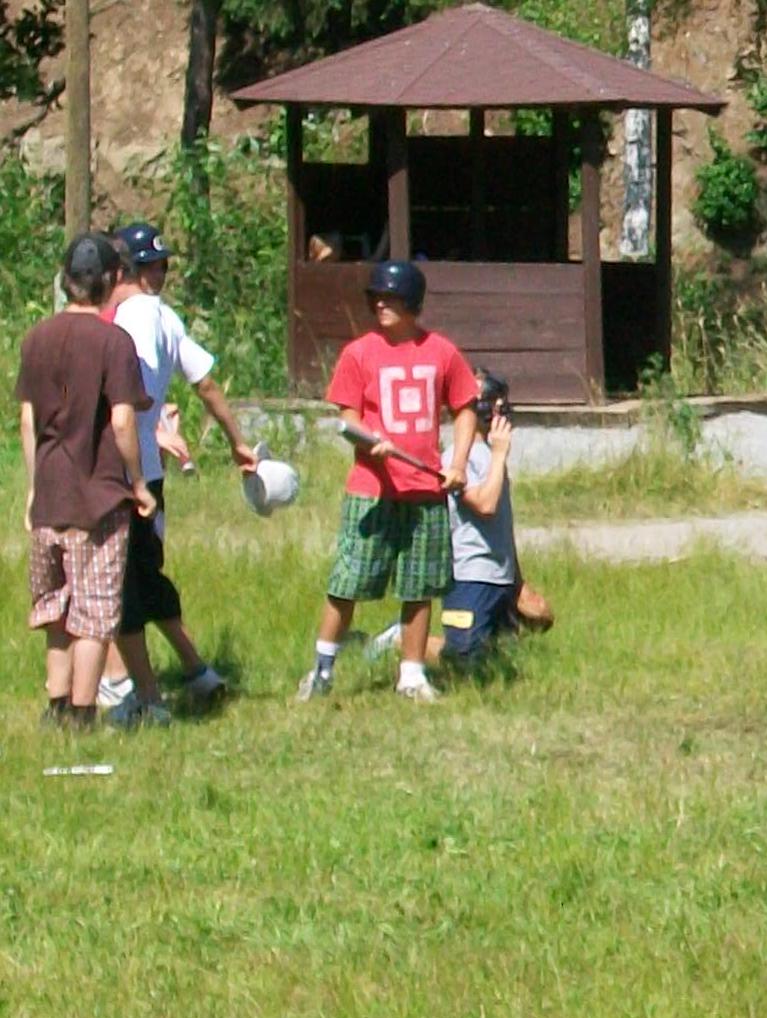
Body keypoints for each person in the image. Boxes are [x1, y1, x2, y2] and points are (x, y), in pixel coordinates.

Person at [97, 221, 261, 725]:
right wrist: (236, 440)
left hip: (125, 467)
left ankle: (135, 691)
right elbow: (205, 382)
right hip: (149, 465)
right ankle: (196, 671)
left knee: (119, 583)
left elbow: (135, 389)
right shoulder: (164, 315)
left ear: (118, 271)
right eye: (156, 265)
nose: (160, 274)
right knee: (147, 576)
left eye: (162, 266)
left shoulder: (134, 317)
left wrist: (145, 423)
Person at [298, 260, 479, 703]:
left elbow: (465, 406)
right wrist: (368, 439)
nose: (380, 304)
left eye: (390, 297)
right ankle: (322, 670)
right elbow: (347, 414)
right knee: (349, 581)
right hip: (372, 489)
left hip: (424, 490)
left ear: (412, 302)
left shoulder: (441, 352)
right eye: (376, 297)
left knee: (420, 585)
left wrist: (457, 463)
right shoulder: (359, 353)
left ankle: (412, 674)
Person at [15, 235, 154, 728]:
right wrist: (139, 482)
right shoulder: (114, 342)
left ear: (65, 278)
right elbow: (122, 421)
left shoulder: (36, 338)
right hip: (98, 496)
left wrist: (34, 488)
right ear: (114, 279)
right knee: (94, 611)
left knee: (54, 605)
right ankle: (81, 711)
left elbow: (28, 421)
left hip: (50, 494)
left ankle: (55, 706)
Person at [370, 370, 552, 665]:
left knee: (521, 636)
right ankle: (400, 639)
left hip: (500, 575)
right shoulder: (456, 458)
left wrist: (517, 580)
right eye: (491, 402)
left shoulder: (489, 454)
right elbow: (485, 505)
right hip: (470, 575)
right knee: (462, 656)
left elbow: (501, 526)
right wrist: (500, 455)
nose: (499, 411)